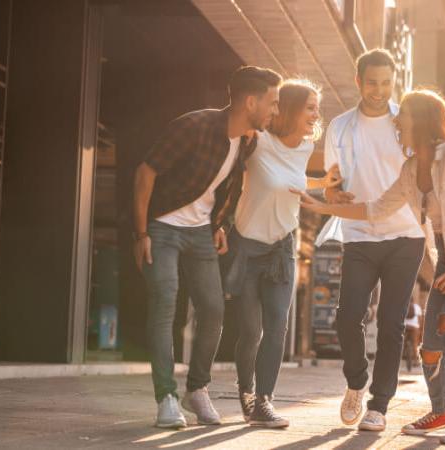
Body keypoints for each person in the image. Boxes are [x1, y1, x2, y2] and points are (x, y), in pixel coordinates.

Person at [293, 88, 445, 445]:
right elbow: (375, 209)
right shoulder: (411, 170)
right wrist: (320, 208)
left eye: (403, 118)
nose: (397, 123)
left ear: (422, 122)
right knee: (430, 345)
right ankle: (441, 411)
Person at [133, 66, 281, 429]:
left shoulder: (246, 140)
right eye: (272, 103)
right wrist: (141, 234)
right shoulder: (194, 126)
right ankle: (166, 397)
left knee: (214, 310)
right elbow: (145, 173)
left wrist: (220, 225)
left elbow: (228, 186)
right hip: (163, 226)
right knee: (167, 306)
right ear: (251, 101)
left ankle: (196, 389)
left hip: (200, 231)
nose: (275, 111)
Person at [313, 48, 426, 432]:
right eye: (372, 82)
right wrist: (332, 195)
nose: (379, 91)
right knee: (348, 316)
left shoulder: (404, 124)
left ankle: (379, 404)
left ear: (394, 84)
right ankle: (356, 382)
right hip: (359, 233)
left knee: (393, 323)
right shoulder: (340, 127)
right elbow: (332, 180)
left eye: (386, 83)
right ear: (358, 81)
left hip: (405, 235)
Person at [223, 79, 341, 428]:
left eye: (316, 107)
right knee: (250, 331)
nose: (316, 113)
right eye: (310, 106)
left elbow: (296, 180)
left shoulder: (305, 148)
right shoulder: (257, 142)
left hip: (282, 249)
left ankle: (264, 401)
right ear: (288, 108)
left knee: (277, 327)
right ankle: (246, 392)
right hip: (247, 248)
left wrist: (324, 184)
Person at [403, 301, 423, 372]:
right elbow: (420, 319)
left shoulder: (402, 305)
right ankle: (416, 360)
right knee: (415, 343)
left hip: (404, 326)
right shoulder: (417, 307)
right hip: (414, 327)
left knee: (400, 343)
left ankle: (398, 358)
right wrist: (420, 329)